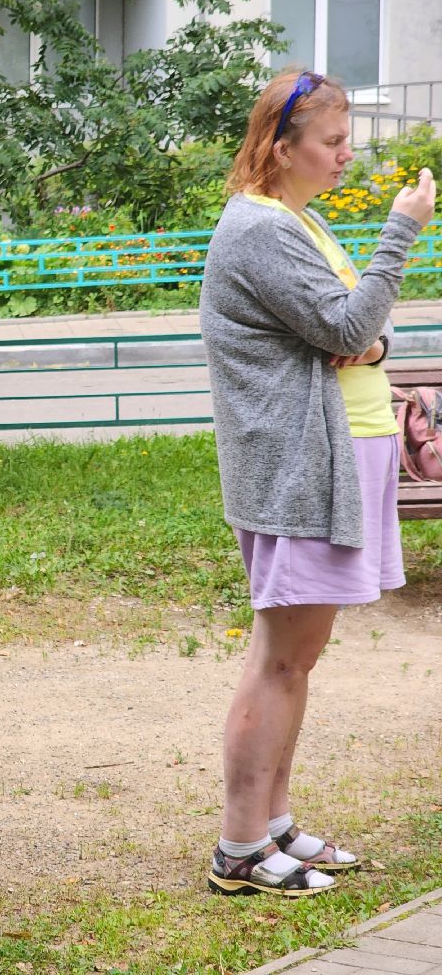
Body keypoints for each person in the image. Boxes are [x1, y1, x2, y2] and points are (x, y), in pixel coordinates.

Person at [200, 68, 436, 897]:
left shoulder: (293, 223)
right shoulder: (261, 228)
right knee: (280, 661)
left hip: (335, 461)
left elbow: (359, 329)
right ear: (281, 146)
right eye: (332, 143)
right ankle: (238, 850)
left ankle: (273, 827)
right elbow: (347, 320)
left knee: (299, 659)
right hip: (302, 471)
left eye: (346, 142)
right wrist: (401, 233)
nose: (345, 156)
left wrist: (368, 343)